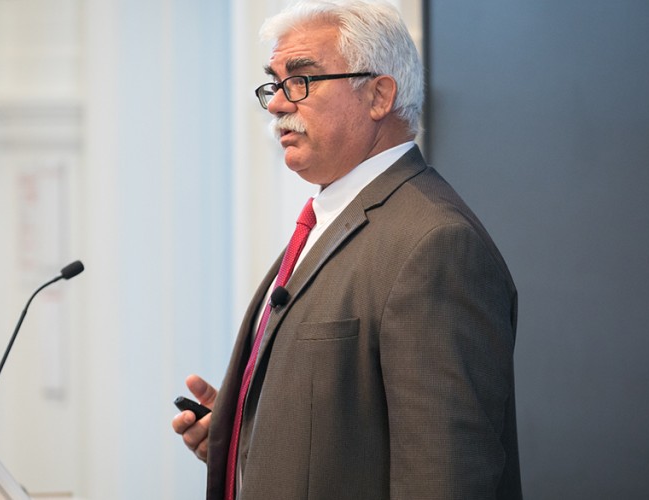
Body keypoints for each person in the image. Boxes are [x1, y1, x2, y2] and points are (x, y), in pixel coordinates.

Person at [171, 1, 521, 498]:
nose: (275, 104)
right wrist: (244, 439)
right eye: (274, 83)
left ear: (379, 95)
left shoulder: (436, 245)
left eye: (302, 80)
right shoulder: (329, 221)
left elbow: (444, 475)